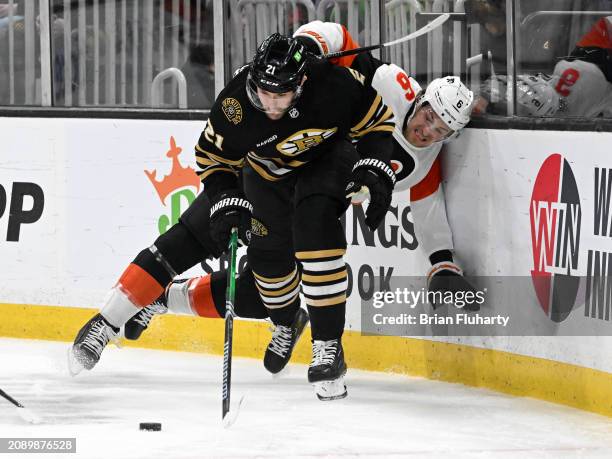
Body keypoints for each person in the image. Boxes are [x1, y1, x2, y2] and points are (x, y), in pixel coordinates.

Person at [70, 32, 397, 402]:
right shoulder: (235, 104)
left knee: (315, 231)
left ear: (301, 83)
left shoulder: (334, 87)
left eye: (280, 95)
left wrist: (373, 166)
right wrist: (226, 198)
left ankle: (327, 348)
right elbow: (213, 159)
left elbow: (377, 124)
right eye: (264, 93)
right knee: (198, 243)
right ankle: (107, 320)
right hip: (260, 176)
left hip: (322, 166)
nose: (270, 104)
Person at [124, 21, 479, 357]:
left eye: (442, 131)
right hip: (267, 173)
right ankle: (135, 294)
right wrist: (307, 47)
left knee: (261, 296)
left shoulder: (424, 161)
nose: (428, 131)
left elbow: (428, 205)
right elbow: (340, 40)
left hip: (309, 203)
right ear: (421, 100)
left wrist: (442, 264)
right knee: (197, 231)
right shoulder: (390, 85)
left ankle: (162, 299)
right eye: (429, 116)